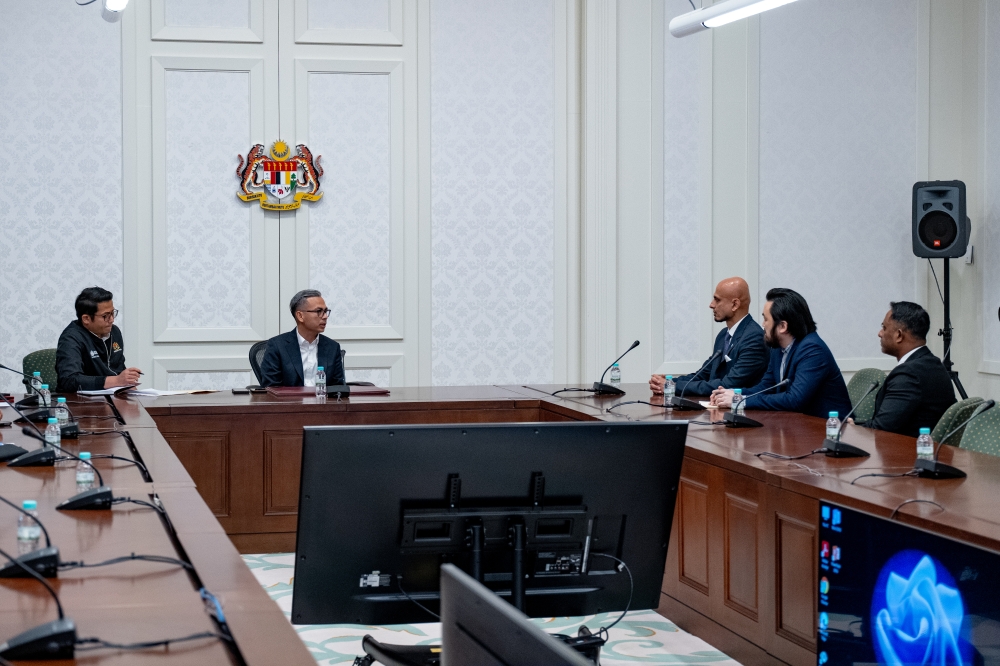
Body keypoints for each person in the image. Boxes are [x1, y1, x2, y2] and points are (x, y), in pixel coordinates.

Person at [710, 288, 851, 419]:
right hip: (796, 426)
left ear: (783, 326)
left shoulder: (812, 350)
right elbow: (765, 387)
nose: (763, 325)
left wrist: (740, 401)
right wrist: (733, 393)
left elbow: (795, 400)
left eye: (766, 319)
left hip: (829, 430)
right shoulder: (777, 347)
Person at [650, 277, 768, 396]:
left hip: (743, 412)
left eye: (717, 300)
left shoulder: (754, 338)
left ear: (735, 304)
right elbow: (704, 374)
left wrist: (674, 387)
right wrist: (669, 382)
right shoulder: (723, 335)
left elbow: (728, 385)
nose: (711, 305)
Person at [853, 302, 956, 437]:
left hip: (908, 453)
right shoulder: (933, 363)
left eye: (884, 328)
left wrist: (852, 428)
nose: (880, 333)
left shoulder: (908, 375)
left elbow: (882, 429)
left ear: (899, 335)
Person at [56, 286, 142, 392]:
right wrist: (116, 381)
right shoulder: (71, 338)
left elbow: (118, 369)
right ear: (86, 319)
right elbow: (70, 380)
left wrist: (128, 383)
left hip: (113, 396)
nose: (112, 320)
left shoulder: (114, 332)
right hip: (79, 402)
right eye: (106, 316)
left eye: (112, 313)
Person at [260, 289, 346, 387]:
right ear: (300, 316)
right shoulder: (277, 346)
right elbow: (271, 388)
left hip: (322, 401)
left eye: (325, 311)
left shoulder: (332, 347)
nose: (325, 316)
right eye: (319, 311)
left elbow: (337, 388)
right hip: (289, 402)